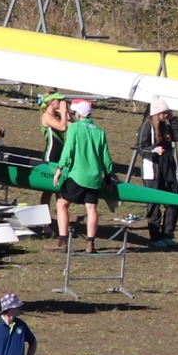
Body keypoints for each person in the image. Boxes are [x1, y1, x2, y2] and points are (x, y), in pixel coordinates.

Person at [53, 99, 114, 251]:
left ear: (79, 114)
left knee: (62, 204)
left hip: (77, 175)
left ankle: (62, 241)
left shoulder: (74, 128)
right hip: (94, 177)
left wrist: (60, 168)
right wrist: (108, 179)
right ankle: (90, 243)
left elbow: (68, 149)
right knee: (91, 208)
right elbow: (106, 157)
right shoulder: (100, 131)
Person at [134, 101, 178, 246]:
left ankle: (168, 234)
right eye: (164, 113)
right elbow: (140, 147)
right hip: (153, 170)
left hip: (167, 168)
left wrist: (173, 119)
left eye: (167, 112)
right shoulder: (146, 126)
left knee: (173, 201)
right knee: (154, 204)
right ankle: (155, 237)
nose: (166, 115)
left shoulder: (166, 125)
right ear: (157, 113)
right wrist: (154, 150)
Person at [38, 93, 71, 162]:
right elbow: (62, 127)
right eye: (59, 100)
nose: (61, 102)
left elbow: (73, 126)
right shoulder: (46, 116)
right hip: (51, 154)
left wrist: (67, 112)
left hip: (61, 153)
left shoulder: (58, 116)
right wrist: (63, 112)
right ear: (51, 101)